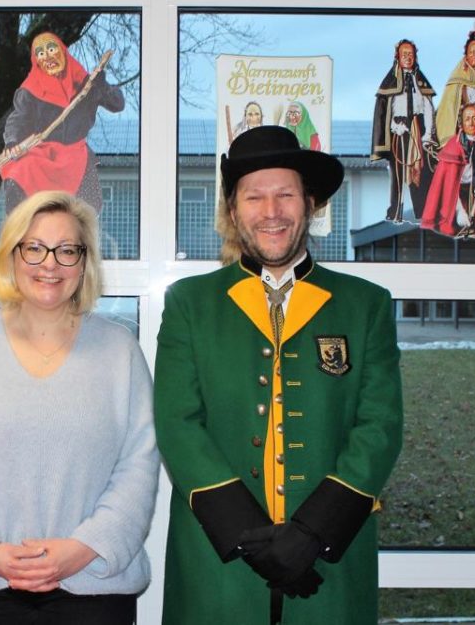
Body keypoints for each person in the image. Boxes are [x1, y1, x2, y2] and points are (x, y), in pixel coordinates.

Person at [153, 125, 403, 625]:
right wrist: (250, 537)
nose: (271, 212)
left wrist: (312, 534)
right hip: (217, 560)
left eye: (285, 194)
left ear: (310, 202)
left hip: (331, 558)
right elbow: (178, 424)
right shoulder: (190, 304)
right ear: (233, 210)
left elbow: (380, 428)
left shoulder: (365, 305)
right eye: (254, 197)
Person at [0, 191, 158, 625]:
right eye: (34, 248)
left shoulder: (119, 351)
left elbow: (138, 466)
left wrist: (82, 550)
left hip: (94, 586)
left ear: (84, 263)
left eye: (67, 250)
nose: (50, 264)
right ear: (11, 257)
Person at [0, 32, 126, 215]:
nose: (48, 57)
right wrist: (13, 141)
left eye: (52, 49)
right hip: (42, 157)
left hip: (77, 158)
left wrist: (102, 86)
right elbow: (18, 119)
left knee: (88, 207)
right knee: (18, 175)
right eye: (41, 54)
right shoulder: (30, 90)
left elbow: (117, 104)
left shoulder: (86, 85)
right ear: (36, 60)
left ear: (63, 52)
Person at [371, 39, 437, 222]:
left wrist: (428, 133)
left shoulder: (420, 81)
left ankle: (422, 213)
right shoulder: (390, 82)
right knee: (398, 171)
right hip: (399, 131)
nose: (407, 58)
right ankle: (395, 212)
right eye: (404, 54)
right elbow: (385, 109)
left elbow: (428, 106)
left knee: (421, 171)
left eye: (411, 54)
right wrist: (394, 126)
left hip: (418, 126)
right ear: (397, 57)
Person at [421, 103, 475, 237]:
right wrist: (459, 211)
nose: (471, 123)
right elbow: (449, 186)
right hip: (456, 193)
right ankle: (464, 221)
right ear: (461, 123)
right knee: (452, 227)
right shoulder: (453, 147)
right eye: (467, 119)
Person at [436, 29, 475, 145]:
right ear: (466, 55)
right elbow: (449, 108)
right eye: (472, 52)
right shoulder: (457, 79)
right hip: (464, 127)